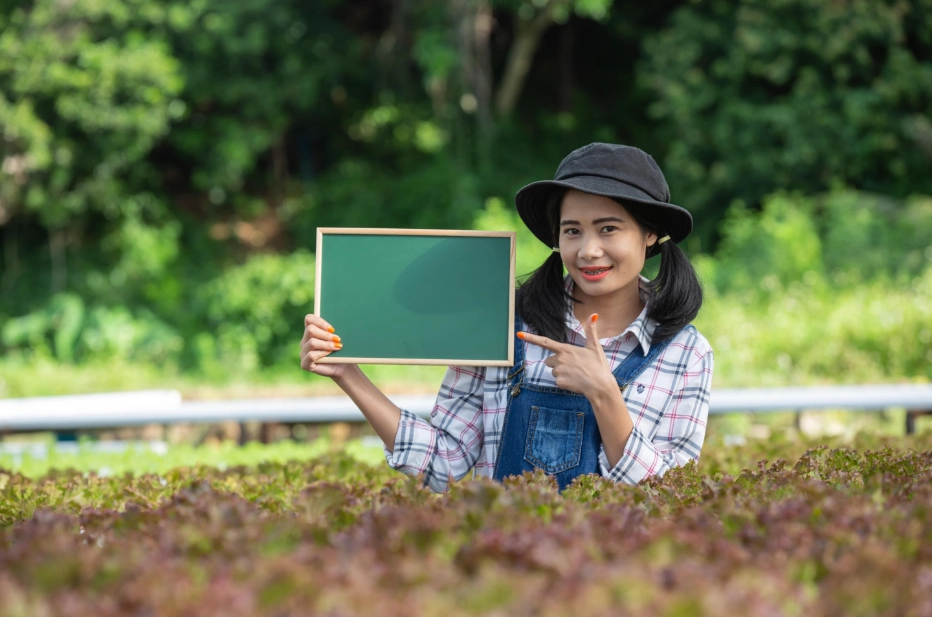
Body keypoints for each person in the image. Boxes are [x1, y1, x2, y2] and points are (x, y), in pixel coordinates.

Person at [300, 143, 713, 492]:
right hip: (504, 569)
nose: (587, 251)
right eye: (572, 231)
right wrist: (348, 374)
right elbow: (445, 464)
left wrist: (605, 394)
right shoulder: (503, 323)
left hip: (613, 577)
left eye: (608, 229)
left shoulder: (685, 353)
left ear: (650, 233)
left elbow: (669, 496)